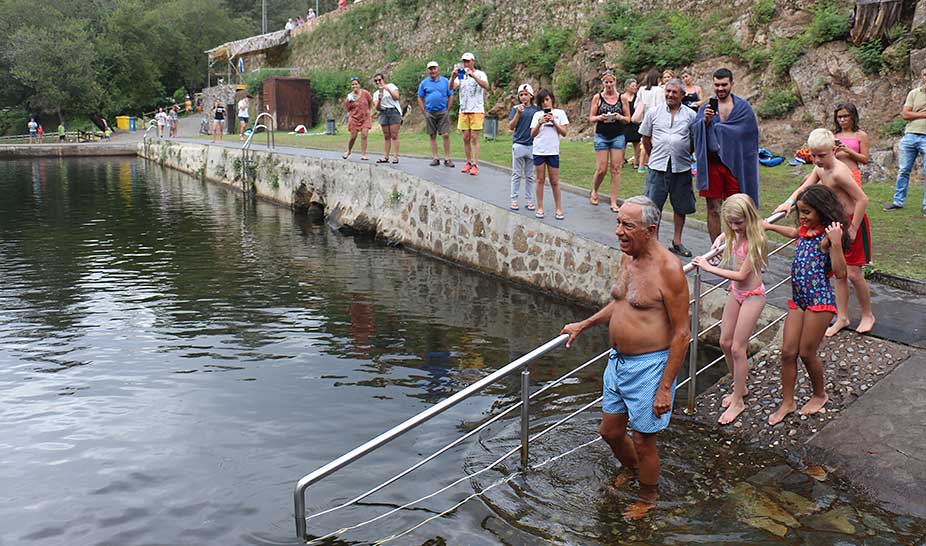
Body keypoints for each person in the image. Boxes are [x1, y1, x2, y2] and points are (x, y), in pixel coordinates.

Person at [560, 195, 690, 518]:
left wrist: (664, 387)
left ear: (651, 229)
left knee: (645, 441)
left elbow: (682, 334)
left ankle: (648, 496)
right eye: (618, 222)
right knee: (610, 432)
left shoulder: (669, 270)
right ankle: (635, 471)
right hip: (617, 363)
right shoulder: (628, 257)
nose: (618, 231)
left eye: (627, 225)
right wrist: (585, 324)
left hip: (649, 367)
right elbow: (622, 304)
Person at [773, 128, 873, 337]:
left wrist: (853, 228)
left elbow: (862, 199)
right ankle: (842, 317)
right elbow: (804, 189)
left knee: (854, 273)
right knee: (838, 273)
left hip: (853, 223)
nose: (817, 160)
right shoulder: (819, 169)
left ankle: (867, 314)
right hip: (835, 224)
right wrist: (789, 202)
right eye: (814, 155)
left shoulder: (839, 172)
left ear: (834, 150)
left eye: (822, 155)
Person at [764, 185, 847, 426]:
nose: (802, 217)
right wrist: (769, 226)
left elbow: (841, 273)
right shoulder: (805, 230)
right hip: (799, 299)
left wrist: (837, 244)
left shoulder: (826, 238)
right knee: (788, 352)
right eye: (800, 211)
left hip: (819, 301)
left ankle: (819, 394)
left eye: (807, 212)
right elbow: (794, 232)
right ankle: (788, 402)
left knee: (806, 352)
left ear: (822, 211)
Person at [691, 194, 768, 425]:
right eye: (731, 223)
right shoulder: (735, 233)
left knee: (737, 348)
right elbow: (730, 233)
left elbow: (742, 275)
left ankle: (738, 400)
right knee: (725, 342)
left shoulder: (756, 240)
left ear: (749, 219)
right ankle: (740, 386)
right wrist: (722, 236)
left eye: (739, 223)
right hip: (736, 293)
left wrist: (707, 268)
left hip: (753, 296)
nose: (735, 227)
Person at [691, 67, 760, 243]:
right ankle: (715, 248)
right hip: (712, 164)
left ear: (731, 84)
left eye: (724, 85)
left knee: (738, 208)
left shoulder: (743, 108)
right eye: (717, 85)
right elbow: (694, 130)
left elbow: (749, 136)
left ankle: (741, 246)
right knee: (713, 208)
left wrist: (720, 130)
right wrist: (705, 122)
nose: (720, 89)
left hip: (735, 166)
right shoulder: (706, 107)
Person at [640, 78, 698, 257]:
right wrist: (653, 155)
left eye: (674, 92)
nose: (670, 95)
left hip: (681, 167)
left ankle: (677, 242)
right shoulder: (654, 112)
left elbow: (694, 140)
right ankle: (654, 243)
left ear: (682, 94)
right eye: (668, 91)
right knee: (653, 206)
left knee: (680, 206)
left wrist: (685, 153)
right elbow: (645, 137)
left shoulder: (691, 115)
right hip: (658, 166)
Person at [884, 67, 926, 217]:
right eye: (925, 74)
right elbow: (905, 114)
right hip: (910, 136)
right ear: (921, 77)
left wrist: (916, 115)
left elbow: (910, 114)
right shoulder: (914, 93)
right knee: (903, 170)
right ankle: (898, 201)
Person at [589, 71, 630, 213]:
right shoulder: (598, 97)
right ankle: (594, 190)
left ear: (615, 82)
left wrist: (619, 117)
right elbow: (591, 118)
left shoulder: (622, 98)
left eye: (611, 82)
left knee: (616, 169)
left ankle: (613, 201)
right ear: (603, 83)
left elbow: (628, 119)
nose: (609, 85)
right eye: (606, 82)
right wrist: (600, 117)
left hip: (618, 136)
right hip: (602, 135)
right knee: (602, 169)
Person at [530, 88, 569, 220]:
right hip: (539, 150)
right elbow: (532, 134)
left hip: (553, 151)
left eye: (547, 100)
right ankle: (540, 207)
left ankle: (559, 208)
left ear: (552, 99)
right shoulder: (537, 115)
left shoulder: (560, 113)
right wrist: (540, 123)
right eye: (542, 101)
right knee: (540, 179)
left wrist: (554, 122)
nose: (545, 103)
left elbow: (564, 132)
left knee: (554, 181)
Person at [449, 52, 489, 176]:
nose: (466, 64)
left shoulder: (480, 74)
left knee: (474, 137)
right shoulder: (461, 74)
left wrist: (474, 77)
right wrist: (453, 76)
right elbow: (451, 87)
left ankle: (475, 164)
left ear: (473, 61)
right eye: (464, 61)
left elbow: (486, 85)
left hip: (476, 109)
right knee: (465, 137)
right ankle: (468, 162)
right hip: (464, 109)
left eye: (468, 61)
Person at [417, 61, 455, 167]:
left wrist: (448, 108)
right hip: (430, 112)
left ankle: (447, 158)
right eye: (430, 69)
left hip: (443, 111)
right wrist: (424, 111)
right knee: (432, 135)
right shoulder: (424, 83)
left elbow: (451, 95)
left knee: (446, 134)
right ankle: (435, 158)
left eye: (434, 68)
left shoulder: (445, 81)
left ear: (438, 69)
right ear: (428, 71)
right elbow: (420, 97)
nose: (432, 71)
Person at [507, 83, 538, 211]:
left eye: (526, 94)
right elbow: (511, 126)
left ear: (531, 96)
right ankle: (514, 199)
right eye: (521, 95)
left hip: (532, 145)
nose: (523, 97)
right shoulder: (516, 109)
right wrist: (518, 114)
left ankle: (529, 199)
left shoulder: (536, 109)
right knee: (517, 174)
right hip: (519, 144)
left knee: (530, 175)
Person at [633, 69, 664, 173]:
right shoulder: (659, 90)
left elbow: (636, 105)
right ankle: (647, 163)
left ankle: (642, 164)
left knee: (645, 140)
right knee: (654, 142)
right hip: (656, 119)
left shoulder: (642, 89)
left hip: (645, 119)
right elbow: (660, 105)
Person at [372, 73, 402, 164]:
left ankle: (395, 157)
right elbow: (377, 107)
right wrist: (380, 99)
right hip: (384, 112)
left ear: (383, 79)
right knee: (386, 136)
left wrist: (386, 88)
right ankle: (386, 157)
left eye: (379, 80)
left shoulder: (391, 86)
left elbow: (397, 97)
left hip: (393, 111)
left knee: (394, 135)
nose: (378, 82)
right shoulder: (376, 93)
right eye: (376, 81)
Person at [342, 76, 373, 160]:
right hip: (354, 119)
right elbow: (347, 108)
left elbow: (370, 101)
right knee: (353, 136)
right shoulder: (350, 97)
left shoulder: (365, 93)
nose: (354, 86)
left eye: (356, 84)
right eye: (353, 84)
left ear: (359, 84)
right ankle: (348, 151)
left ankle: (363, 154)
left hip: (365, 118)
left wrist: (368, 110)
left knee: (364, 135)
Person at [622, 78, 642, 169]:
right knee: (623, 142)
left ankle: (636, 161)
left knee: (636, 142)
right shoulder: (622, 97)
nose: (635, 87)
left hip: (635, 122)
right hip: (624, 122)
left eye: (635, 85)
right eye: (633, 86)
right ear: (627, 87)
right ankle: (621, 160)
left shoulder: (638, 97)